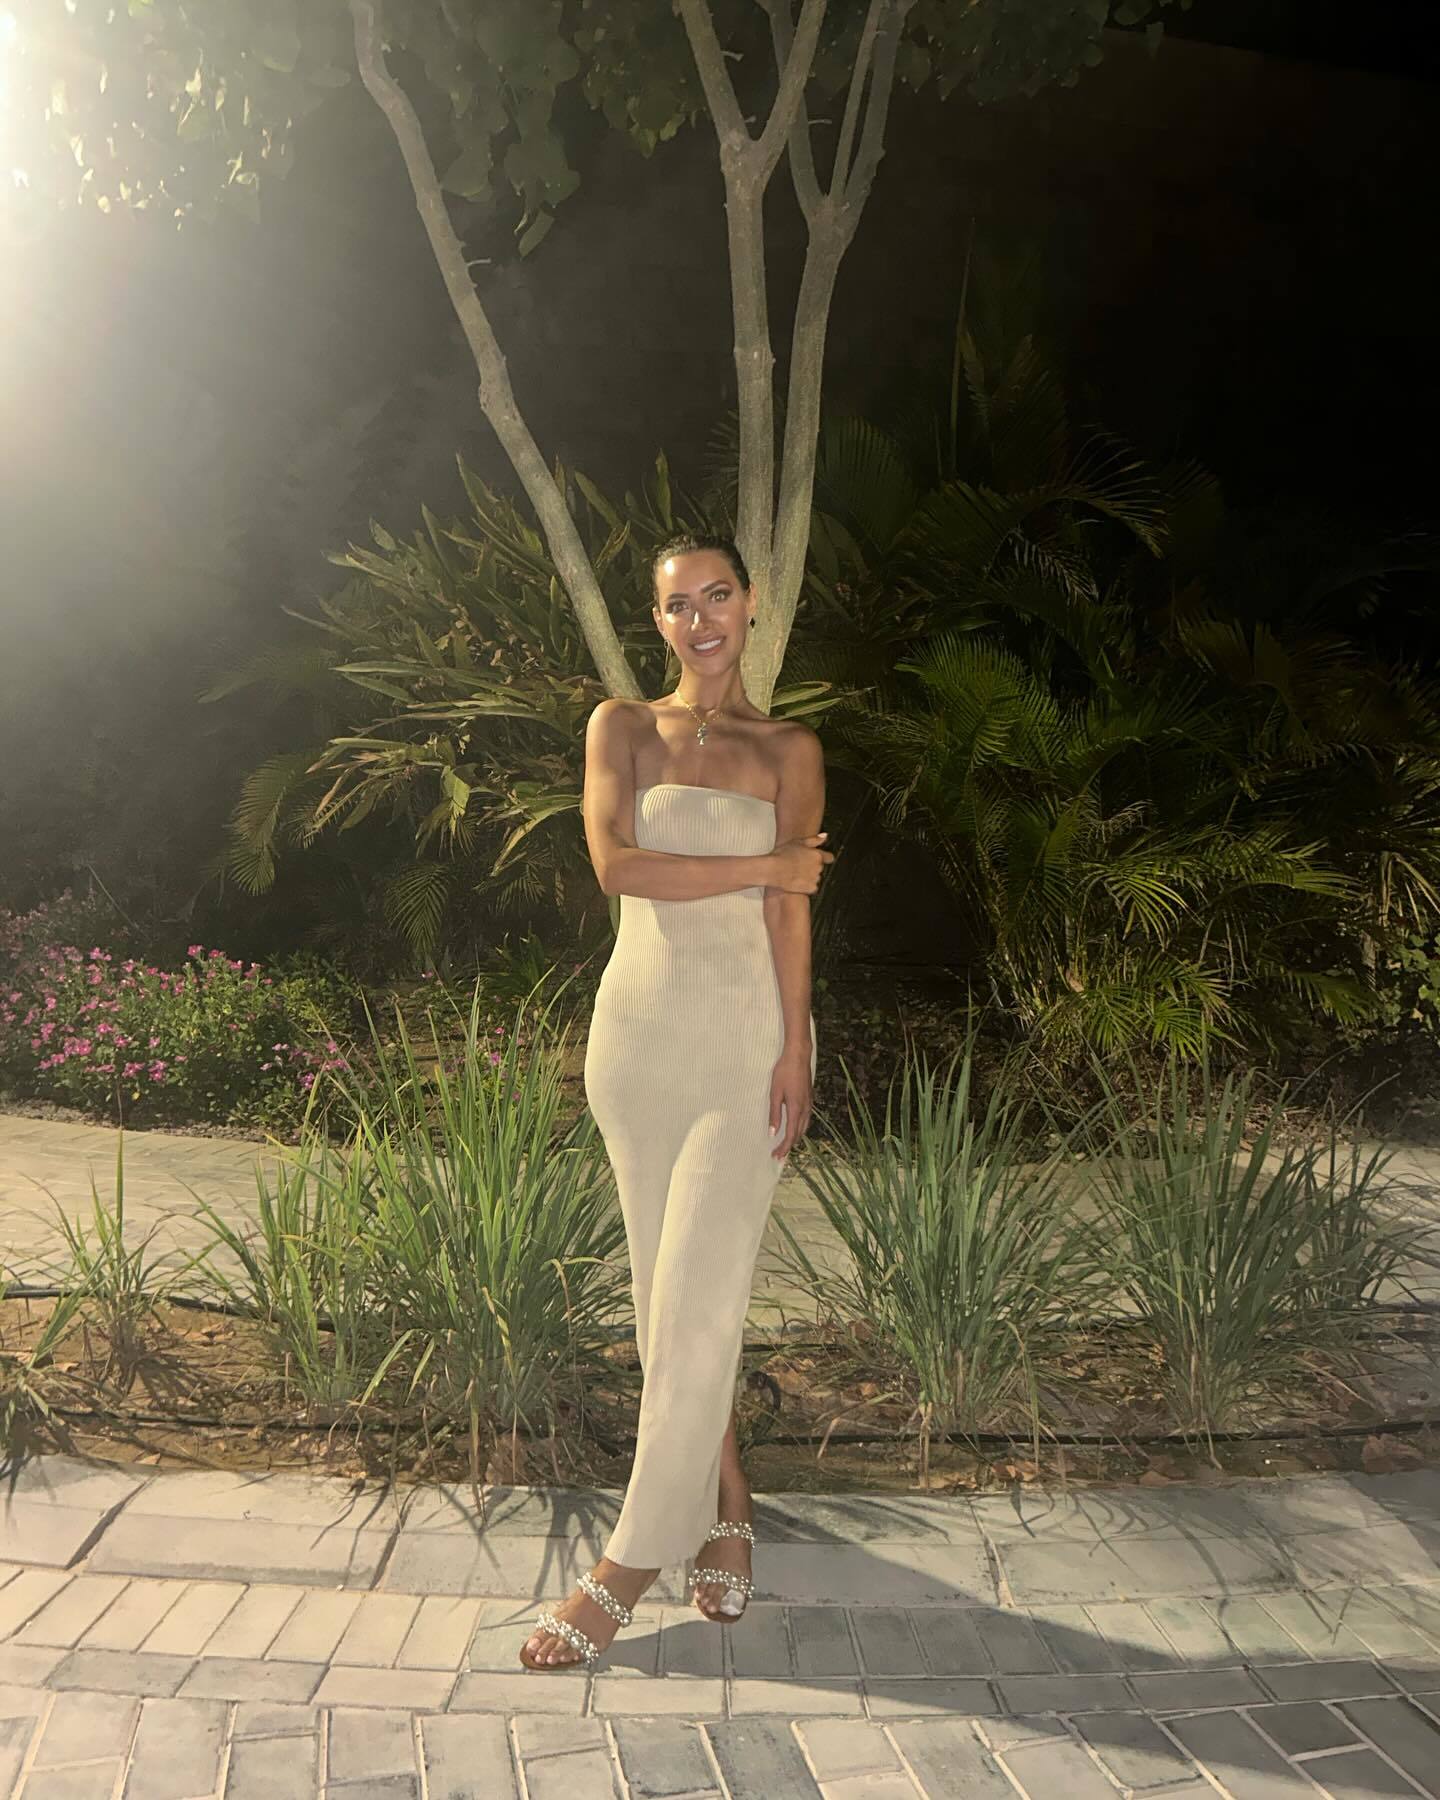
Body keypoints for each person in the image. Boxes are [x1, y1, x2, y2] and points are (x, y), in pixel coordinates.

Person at [519, 530, 833, 1670]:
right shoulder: (622, 727)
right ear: (656, 621)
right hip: (639, 1039)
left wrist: (795, 1049)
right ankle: (727, 1502)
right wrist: (765, 865)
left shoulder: (791, 748)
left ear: (752, 604)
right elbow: (618, 867)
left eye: (717, 596)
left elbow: (794, 911)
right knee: (668, 1303)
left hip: (746, 1046)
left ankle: (626, 1566)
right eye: (677, 605)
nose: (700, 621)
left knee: (698, 1294)